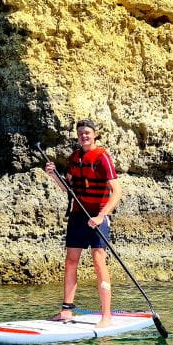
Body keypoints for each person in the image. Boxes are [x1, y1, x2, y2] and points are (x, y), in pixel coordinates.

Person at [45, 119, 122, 327]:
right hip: (78, 215)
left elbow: (117, 191)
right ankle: (66, 311)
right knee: (70, 261)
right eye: (80, 133)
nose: (83, 136)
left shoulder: (102, 157)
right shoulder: (75, 157)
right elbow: (66, 187)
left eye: (87, 132)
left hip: (97, 216)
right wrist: (53, 175)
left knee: (99, 262)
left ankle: (106, 316)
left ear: (95, 134)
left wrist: (101, 215)